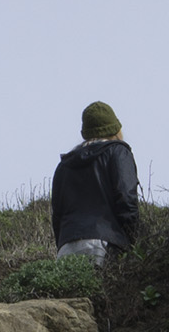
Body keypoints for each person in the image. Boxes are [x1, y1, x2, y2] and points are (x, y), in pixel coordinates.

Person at [51, 102, 139, 265]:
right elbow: (126, 199)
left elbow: (57, 215)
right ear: (115, 129)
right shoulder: (118, 152)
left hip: (67, 247)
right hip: (104, 243)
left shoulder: (64, 165)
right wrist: (135, 243)